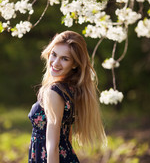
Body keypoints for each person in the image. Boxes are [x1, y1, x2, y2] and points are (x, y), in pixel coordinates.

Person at [28, 31, 106, 163]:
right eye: (54, 54)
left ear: (74, 64)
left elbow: (52, 145)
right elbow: (66, 135)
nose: (56, 63)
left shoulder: (54, 91)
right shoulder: (69, 89)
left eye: (65, 58)